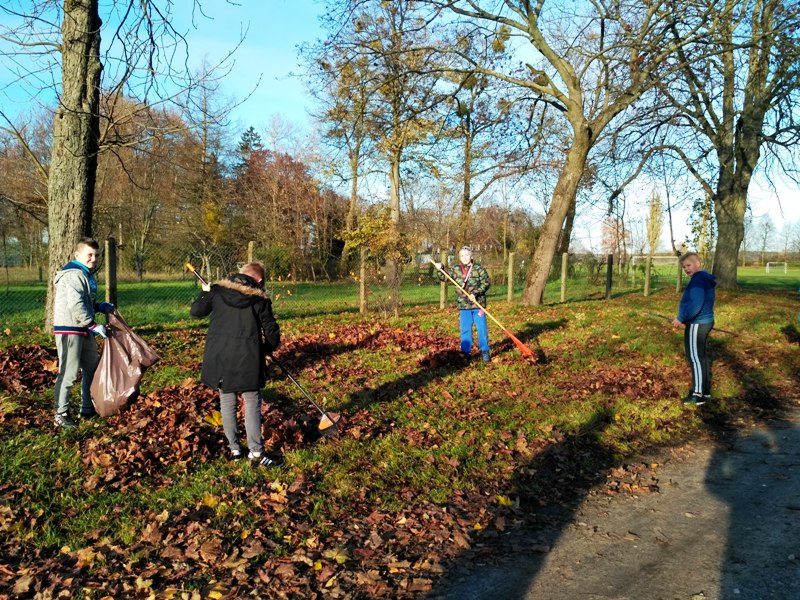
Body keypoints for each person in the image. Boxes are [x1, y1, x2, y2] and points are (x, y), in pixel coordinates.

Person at [190, 262, 283, 467]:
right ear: (259, 281)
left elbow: (196, 311)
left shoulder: (217, 292)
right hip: (248, 358)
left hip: (220, 358)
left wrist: (205, 293)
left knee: (227, 401)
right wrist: (266, 348)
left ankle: (234, 449)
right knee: (251, 402)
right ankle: (256, 453)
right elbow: (272, 333)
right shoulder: (260, 299)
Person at [53, 237, 114, 428]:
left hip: (84, 328)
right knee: (68, 373)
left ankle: (87, 409)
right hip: (70, 330)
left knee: (92, 369)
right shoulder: (73, 274)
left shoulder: (86, 274)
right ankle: (61, 413)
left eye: (96, 255)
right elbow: (76, 305)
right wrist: (93, 325)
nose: (93, 259)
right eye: (89, 254)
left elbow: (84, 302)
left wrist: (98, 306)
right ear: (77, 255)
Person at [672, 251, 716, 406]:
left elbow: (695, 304)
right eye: (684, 267)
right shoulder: (703, 279)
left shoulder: (698, 281)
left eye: (689, 265)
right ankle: (705, 389)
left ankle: (698, 394)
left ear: (698, 264)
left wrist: (681, 318)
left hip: (698, 323)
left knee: (695, 358)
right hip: (705, 321)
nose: (686, 269)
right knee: (702, 356)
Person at [435, 245, 492, 362]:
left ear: (471, 256)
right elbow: (444, 277)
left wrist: (475, 293)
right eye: (462, 255)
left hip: (478, 304)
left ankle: (485, 351)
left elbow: (486, 283)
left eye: (467, 255)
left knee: (482, 328)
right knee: (465, 329)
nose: (465, 257)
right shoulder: (455, 269)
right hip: (463, 306)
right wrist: (440, 268)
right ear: (459, 258)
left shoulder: (479, 269)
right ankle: (466, 353)